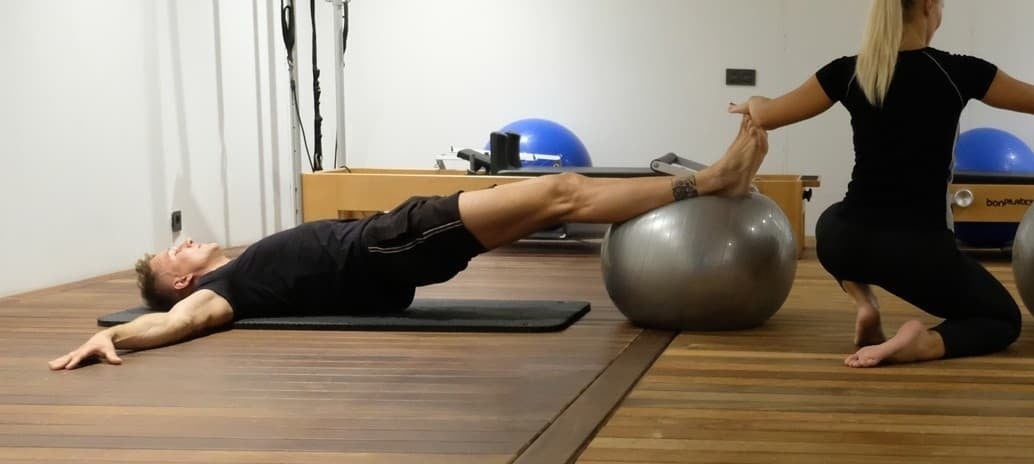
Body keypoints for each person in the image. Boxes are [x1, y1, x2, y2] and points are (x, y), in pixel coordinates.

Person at [50, 117, 769, 371]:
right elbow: (175, 324)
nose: (185, 244)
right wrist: (120, 340)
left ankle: (711, 180)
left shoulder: (237, 266)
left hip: (392, 240)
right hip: (390, 243)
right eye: (173, 253)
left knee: (558, 200)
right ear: (181, 283)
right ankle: (713, 180)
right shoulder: (218, 293)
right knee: (563, 192)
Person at [728, 0, 1034, 368]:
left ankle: (864, 302)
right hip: (918, 250)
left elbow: (768, 114)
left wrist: (749, 102)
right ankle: (922, 342)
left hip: (847, 240)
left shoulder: (849, 71)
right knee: (1001, 319)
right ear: (929, 4)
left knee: (831, 219)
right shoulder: (958, 72)